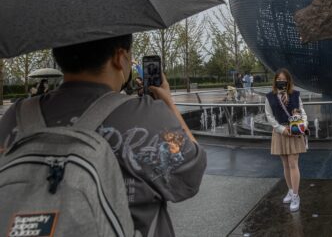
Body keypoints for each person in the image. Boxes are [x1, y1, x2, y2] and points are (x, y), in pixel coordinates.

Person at [0, 35, 206, 237]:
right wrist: (168, 103)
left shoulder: (16, 116)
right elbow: (192, 173)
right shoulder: (146, 115)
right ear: (120, 57)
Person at [265, 68, 308, 212]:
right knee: (285, 164)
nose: (280, 81)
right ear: (275, 80)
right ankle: (290, 190)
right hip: (280, 132)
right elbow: (269, 116)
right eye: (278, 79)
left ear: (288, 81)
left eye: (283, 79)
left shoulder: (295, 95)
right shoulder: (270, 96)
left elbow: (302, 112)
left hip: (295, 133)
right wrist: (281, 129)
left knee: (293, 163)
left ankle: (296, 195)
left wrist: (303, 127)